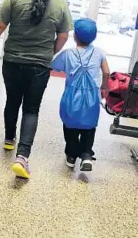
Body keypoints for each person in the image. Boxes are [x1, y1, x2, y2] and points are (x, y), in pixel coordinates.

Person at [0, 0, 72, 179]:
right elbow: (63, 35)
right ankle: (23, 156)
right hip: (39, 65)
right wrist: (50, 52)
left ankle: (9, 139)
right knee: (31, 109)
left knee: (12, 101)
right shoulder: (60, 4)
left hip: (12, 61)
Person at [51, 18, 110, 171]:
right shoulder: (99, 53)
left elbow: (54, 66)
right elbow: (106, 71)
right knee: (89, 126)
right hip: (91, 97)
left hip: (72, 96)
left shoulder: (68, 53)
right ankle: (86, 155)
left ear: (75, 36)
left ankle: (71, 156)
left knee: (70, 124)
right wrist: (104, 87)